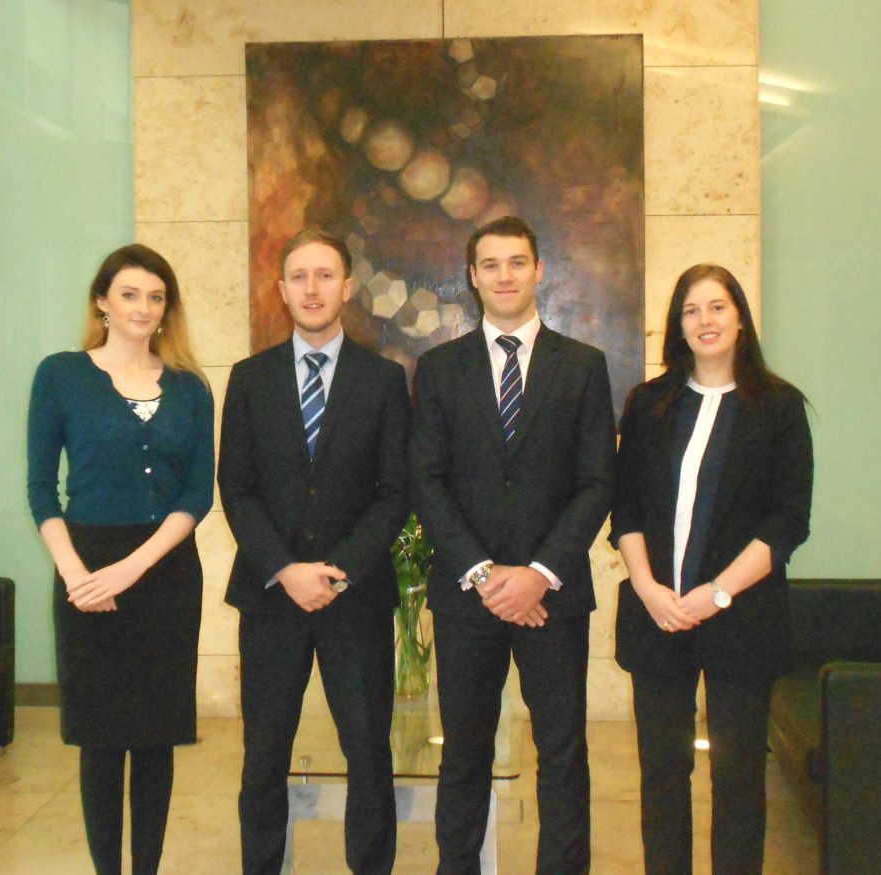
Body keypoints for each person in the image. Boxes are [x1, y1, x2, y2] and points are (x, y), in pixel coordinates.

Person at [410, 215, 616, 874]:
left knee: (562, 752)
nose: (504, 275)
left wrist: (537, 573)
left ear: (539, 270)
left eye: (517, 262)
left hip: (552, 597)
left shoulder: (582, 366)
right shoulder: (439, 369)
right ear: (472, 276)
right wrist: (482, 572)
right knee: (462, 753)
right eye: (491, 264)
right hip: (466, 597)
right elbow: (426, 479)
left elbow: (596, 482)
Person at [218, 228, 410, 875]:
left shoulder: (384, 380)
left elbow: (394, 492)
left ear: (347, 287)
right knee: (263, 755)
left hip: (355, 598)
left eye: (325, 275)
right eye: (298, 276)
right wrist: (285, 568)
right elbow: (236, 488)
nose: (311, 288)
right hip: (271, 597)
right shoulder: (249, 379)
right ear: (281, 289)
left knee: (368, 753)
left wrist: (338, 570)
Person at [610, 264, 814, 875]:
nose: (705, 320)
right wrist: (647, 587)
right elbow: (626, 508)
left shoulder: (779, 407)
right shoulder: (648, 404)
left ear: (740, 318)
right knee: (663, 774)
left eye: (718, 307)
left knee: (739, 776)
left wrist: (718, 593)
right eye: (691, 310)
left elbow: (787, 523)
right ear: (678, 325)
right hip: (658, 616)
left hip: (742, 618)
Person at [26, 244, 215, 875]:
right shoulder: (61, 375)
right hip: (85, 567)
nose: (143, 307)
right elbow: (40, 488)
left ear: (167, 309)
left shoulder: (191, 387)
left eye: (156, 297)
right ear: (102, 301)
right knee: (102, 739)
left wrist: (135, 567)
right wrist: (77, 575)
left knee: (157, 737)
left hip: (166, 571)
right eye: (130, 294)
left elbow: (197, 493)